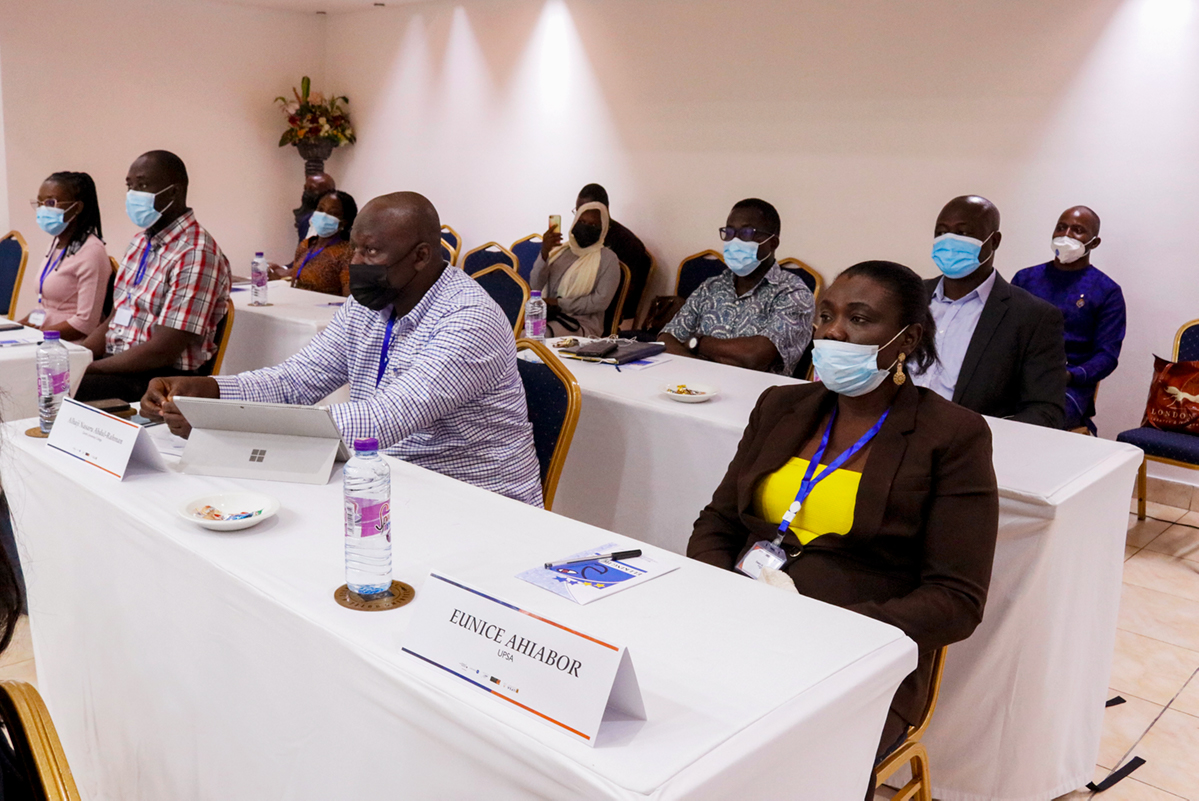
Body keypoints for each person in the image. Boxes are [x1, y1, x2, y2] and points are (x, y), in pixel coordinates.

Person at [686, 261, 999, 799]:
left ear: (907, 339)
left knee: (765, 770)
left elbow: (957, 600)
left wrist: (828, 629)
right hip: (739, 627)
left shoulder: (951, 436)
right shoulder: (781, 406)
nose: (832, 332)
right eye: (826, 315)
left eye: (858, 319)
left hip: (855, 661)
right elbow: (718, 521)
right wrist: (724, 595)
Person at [142, 192, 543, 507]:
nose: (355, 263)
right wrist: (210, 393)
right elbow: (296, 381)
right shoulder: (370, 305)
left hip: (474, 502)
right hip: (388, 481)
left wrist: (227, 424)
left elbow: (382, 420)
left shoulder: (469, 319)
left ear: (421, 256)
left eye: (371, 252)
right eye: (354, 249)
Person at [75, 151, 231, 402]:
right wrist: (75, 357)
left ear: (173, 192)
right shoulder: (140, 242)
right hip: (117, 365)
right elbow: (115, 318)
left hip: (161, 379)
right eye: (130, 186)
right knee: (44, 377)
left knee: (63, 389)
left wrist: (86, 370)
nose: (133, 194)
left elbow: (163, 350)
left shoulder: (195, 252)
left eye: (143, 185)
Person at [914, 195, 1066, 427]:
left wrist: (978, 436)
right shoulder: (911, 297)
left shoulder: (1033, 317)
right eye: (941, 232)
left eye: (963, 233)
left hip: (968, 441)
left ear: (994, 241)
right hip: (891, 433)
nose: (949, 241)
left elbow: (1045, 410)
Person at [660, 198, 813, 375]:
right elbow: (666, 339)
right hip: (695, 383)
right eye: (729, 232)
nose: (734, 241)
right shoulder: (711, 286)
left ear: (772, 243)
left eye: (746, 233)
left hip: (757, 391)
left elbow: (754, 357)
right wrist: (701, 370)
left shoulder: (793, 293)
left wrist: (697, 342)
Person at [1012, 206, 1125, 434]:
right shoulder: (1025, 279)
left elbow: (1107, 356)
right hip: (1015, 377)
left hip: (1067, 386)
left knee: (1031, 423)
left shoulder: (1107, 291)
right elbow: (1003, 332)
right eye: (1061, 228)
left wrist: (1070, 375)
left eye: (1077, 230)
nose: (1066, 235)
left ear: (1094, 242)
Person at [19, 172, 110, 340]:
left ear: (77, 207)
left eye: (51, 203)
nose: (43, 209)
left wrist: (35, 337)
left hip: (72, 344)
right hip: (45, 337)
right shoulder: (55, 244)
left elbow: (85, 323)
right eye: (40, 203)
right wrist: (16, 329)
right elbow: (45, 308)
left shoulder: (92, 252)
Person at [529, 202, 621, 338]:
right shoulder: (560, 251)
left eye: (593, 225)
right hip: (547, 316)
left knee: (535, 336)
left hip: (581, 324)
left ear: (603, 229)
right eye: (582, 222)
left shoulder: (608, 259)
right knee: (518, 333)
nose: (586, 227)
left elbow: (600, 301)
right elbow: (535, 286)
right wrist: (544, 252)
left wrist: (559, 304)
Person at [575, 183, 651, 322]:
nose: (580, 219)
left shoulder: (627, 244)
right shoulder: (580, 235)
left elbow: (623, 292)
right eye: (578, 212)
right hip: (574, 303)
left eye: (586, 211)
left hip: (599, 311)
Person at [269, 190, 358, 296]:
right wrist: (279, 274)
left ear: (344, 222)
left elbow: (349, 297)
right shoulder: (306, 245)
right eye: (320, 209)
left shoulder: (347, 253)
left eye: (332, 213)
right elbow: (300, 278)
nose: (323, 215)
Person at [294, 172, 336, 243]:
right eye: (306, 188)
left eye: (311, 189)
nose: (306, 194)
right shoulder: (305, 221)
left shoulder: (333, 223)